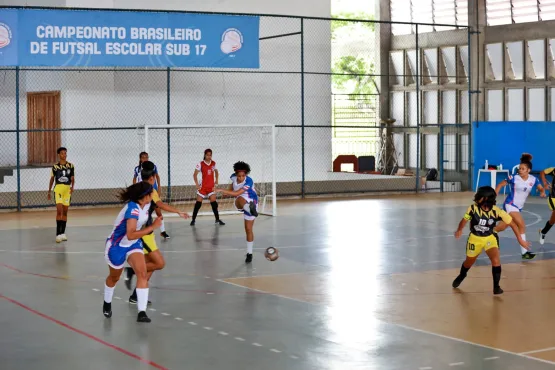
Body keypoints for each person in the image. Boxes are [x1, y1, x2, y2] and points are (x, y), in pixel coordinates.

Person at [124, 161, 190, 304]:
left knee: (151, 266)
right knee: (159, 263)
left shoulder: (138, 189)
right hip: (144, 234)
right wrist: (178, 211)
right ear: (153, 177)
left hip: (146, 232)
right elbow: (160, 205)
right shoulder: (150, 191)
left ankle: (136, 295)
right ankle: (131, 271)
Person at [452, 186, 531, 295]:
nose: (476, 198)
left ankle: (496, 287)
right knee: (469, 262)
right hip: (475, 239)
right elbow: (464, 220)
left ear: (485, 199)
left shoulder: (497, 211)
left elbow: (512, 224)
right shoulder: (472, 208)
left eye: (478, 196)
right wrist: (459, 229)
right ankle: (462, 275)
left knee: (496, 260)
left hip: (490, 238)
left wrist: (520, 241)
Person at [103, 182, 161, 323]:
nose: (153, 194)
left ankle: (142, 312)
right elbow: (130, 234)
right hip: (117, 246)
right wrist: (153, 227)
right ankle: (107, 302)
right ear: (143, 196)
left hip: (133, 245)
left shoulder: (146, 204)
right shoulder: (132, 209)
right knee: (114, 278)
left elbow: (160, 204)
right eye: (150, 192)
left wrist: (177, 211)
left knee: (142, 273)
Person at [494, 153, 545, 259]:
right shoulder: (514, 177)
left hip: (518, 207)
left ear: (528, 170)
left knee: (501, 227)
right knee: (521, 225)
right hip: (510, 205)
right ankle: (524, 252)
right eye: (519, 168)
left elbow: (540, 187)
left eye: (522, 168)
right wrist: (493, 196)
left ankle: (485, 232)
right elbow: (500, 184)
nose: (520, 170)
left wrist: (542, 191)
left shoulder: (533, 179)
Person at [215, 161, 258, 263]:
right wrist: (226, 192)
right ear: (236, 174)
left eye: (243, 176)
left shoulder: (249, 181)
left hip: (252, 200)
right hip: (243, 201)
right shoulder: (233, 177)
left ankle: (249, 253)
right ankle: (248, 209)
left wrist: (221, 190)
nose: (241, 178)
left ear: (246, 174)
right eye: (239, 176)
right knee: (240, 201)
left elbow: (237, 193)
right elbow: (232, 187)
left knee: (248, 229)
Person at [133, 152, 170, 239]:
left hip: (153, 193)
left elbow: (157, 176)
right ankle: (140, 231)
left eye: (146, 157)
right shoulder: (137, 169)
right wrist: (135, 188)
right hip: (143, 194)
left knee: (158, 211)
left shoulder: (152, 166)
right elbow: (134, 178)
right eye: (143, 157)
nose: (145, 159)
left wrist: (159, 187)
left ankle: (163, 231)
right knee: (142, 212)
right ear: (140, 159)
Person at [47, 147, 75, 243]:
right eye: (62, 153)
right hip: (58, 189)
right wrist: (49, 191)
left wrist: (73, 187)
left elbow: (72, 178)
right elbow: (52, 179)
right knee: (59, 211)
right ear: (59, 155)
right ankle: (57, 234)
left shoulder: (71, 166)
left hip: (67, 190)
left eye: (65, 153)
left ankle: (63, 233)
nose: (64, 155)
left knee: (65, 211)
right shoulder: (55, 167)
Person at [191, 149, 225, 226]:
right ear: (205, 155)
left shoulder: (213, 163)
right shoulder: (200, 164)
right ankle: (193, 220)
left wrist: (217, 180)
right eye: (207, 155)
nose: (209, 156)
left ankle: (217, 219)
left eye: (210, 155)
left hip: (211, 187)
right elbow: (195, 174)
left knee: (214, 203)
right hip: (203, 187)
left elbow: (216, 172)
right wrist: (196, 184)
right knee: (198, 204)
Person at [539, 166, 555, 244]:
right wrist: (545, 183)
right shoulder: (553, 169)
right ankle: (543, 233)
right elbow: (542, 172)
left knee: (552, 221)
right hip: (553, 198)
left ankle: (543, 231)